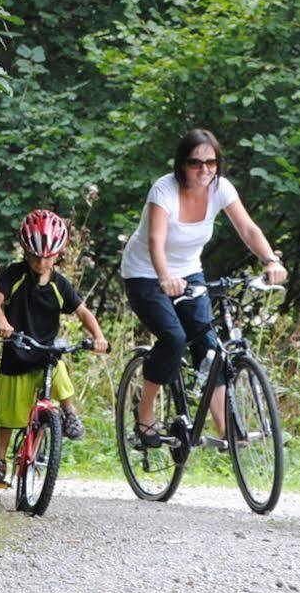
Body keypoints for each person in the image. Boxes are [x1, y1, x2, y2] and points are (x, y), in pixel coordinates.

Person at [120, 129, 287, 447]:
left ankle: (226, 428)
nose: (204, 170)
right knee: (174, 337)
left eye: (211, 162)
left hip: (189, 272)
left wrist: (269, 260)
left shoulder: (220, 188)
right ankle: (145, 411)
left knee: (208, 345)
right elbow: (156, 241)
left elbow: (248, 229)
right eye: (196, 163)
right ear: (182, 164)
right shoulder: (164, 190)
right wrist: (165, 277)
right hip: (145, 273)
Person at [0, 209, 108, 489]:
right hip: (17, 351)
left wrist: (98, 336)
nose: (41, 262)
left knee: (58, 367)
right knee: (7, 414)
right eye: (35, 256)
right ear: (25, 252)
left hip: (44, 352)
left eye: (47, 256)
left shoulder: (60, 284)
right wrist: (2, 322)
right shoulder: (15, 274)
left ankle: (69, 413)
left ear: (58, 255)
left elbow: (82, 312)